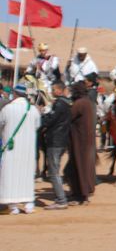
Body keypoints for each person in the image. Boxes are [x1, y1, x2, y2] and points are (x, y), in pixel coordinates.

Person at [0, 84, 42, 214]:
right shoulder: (33, 110)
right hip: (28, 150)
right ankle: (29, 205)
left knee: (10, 175)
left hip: (11, 148)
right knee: (26, 176)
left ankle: (13, 207)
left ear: (15, 93)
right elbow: (37, 126)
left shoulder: (8, 109)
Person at [40, 81, 72, 209]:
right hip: (61, 140)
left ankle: (61, 199)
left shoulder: (59, 104)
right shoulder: (66, 103)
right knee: (55, 170)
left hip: (55, 141)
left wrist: (41, 117)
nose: (52, 92)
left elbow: (51, 120)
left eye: (53, 89)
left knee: (54, 172)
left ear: (59, 90)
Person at [66, 82, 96, 206]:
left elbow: (69, 116)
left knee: (79, 167)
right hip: (86, 140)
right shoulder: (88, 102)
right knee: (83, 167)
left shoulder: (79, 104)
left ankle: (81, 196)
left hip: (79, 140)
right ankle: (83, 191)